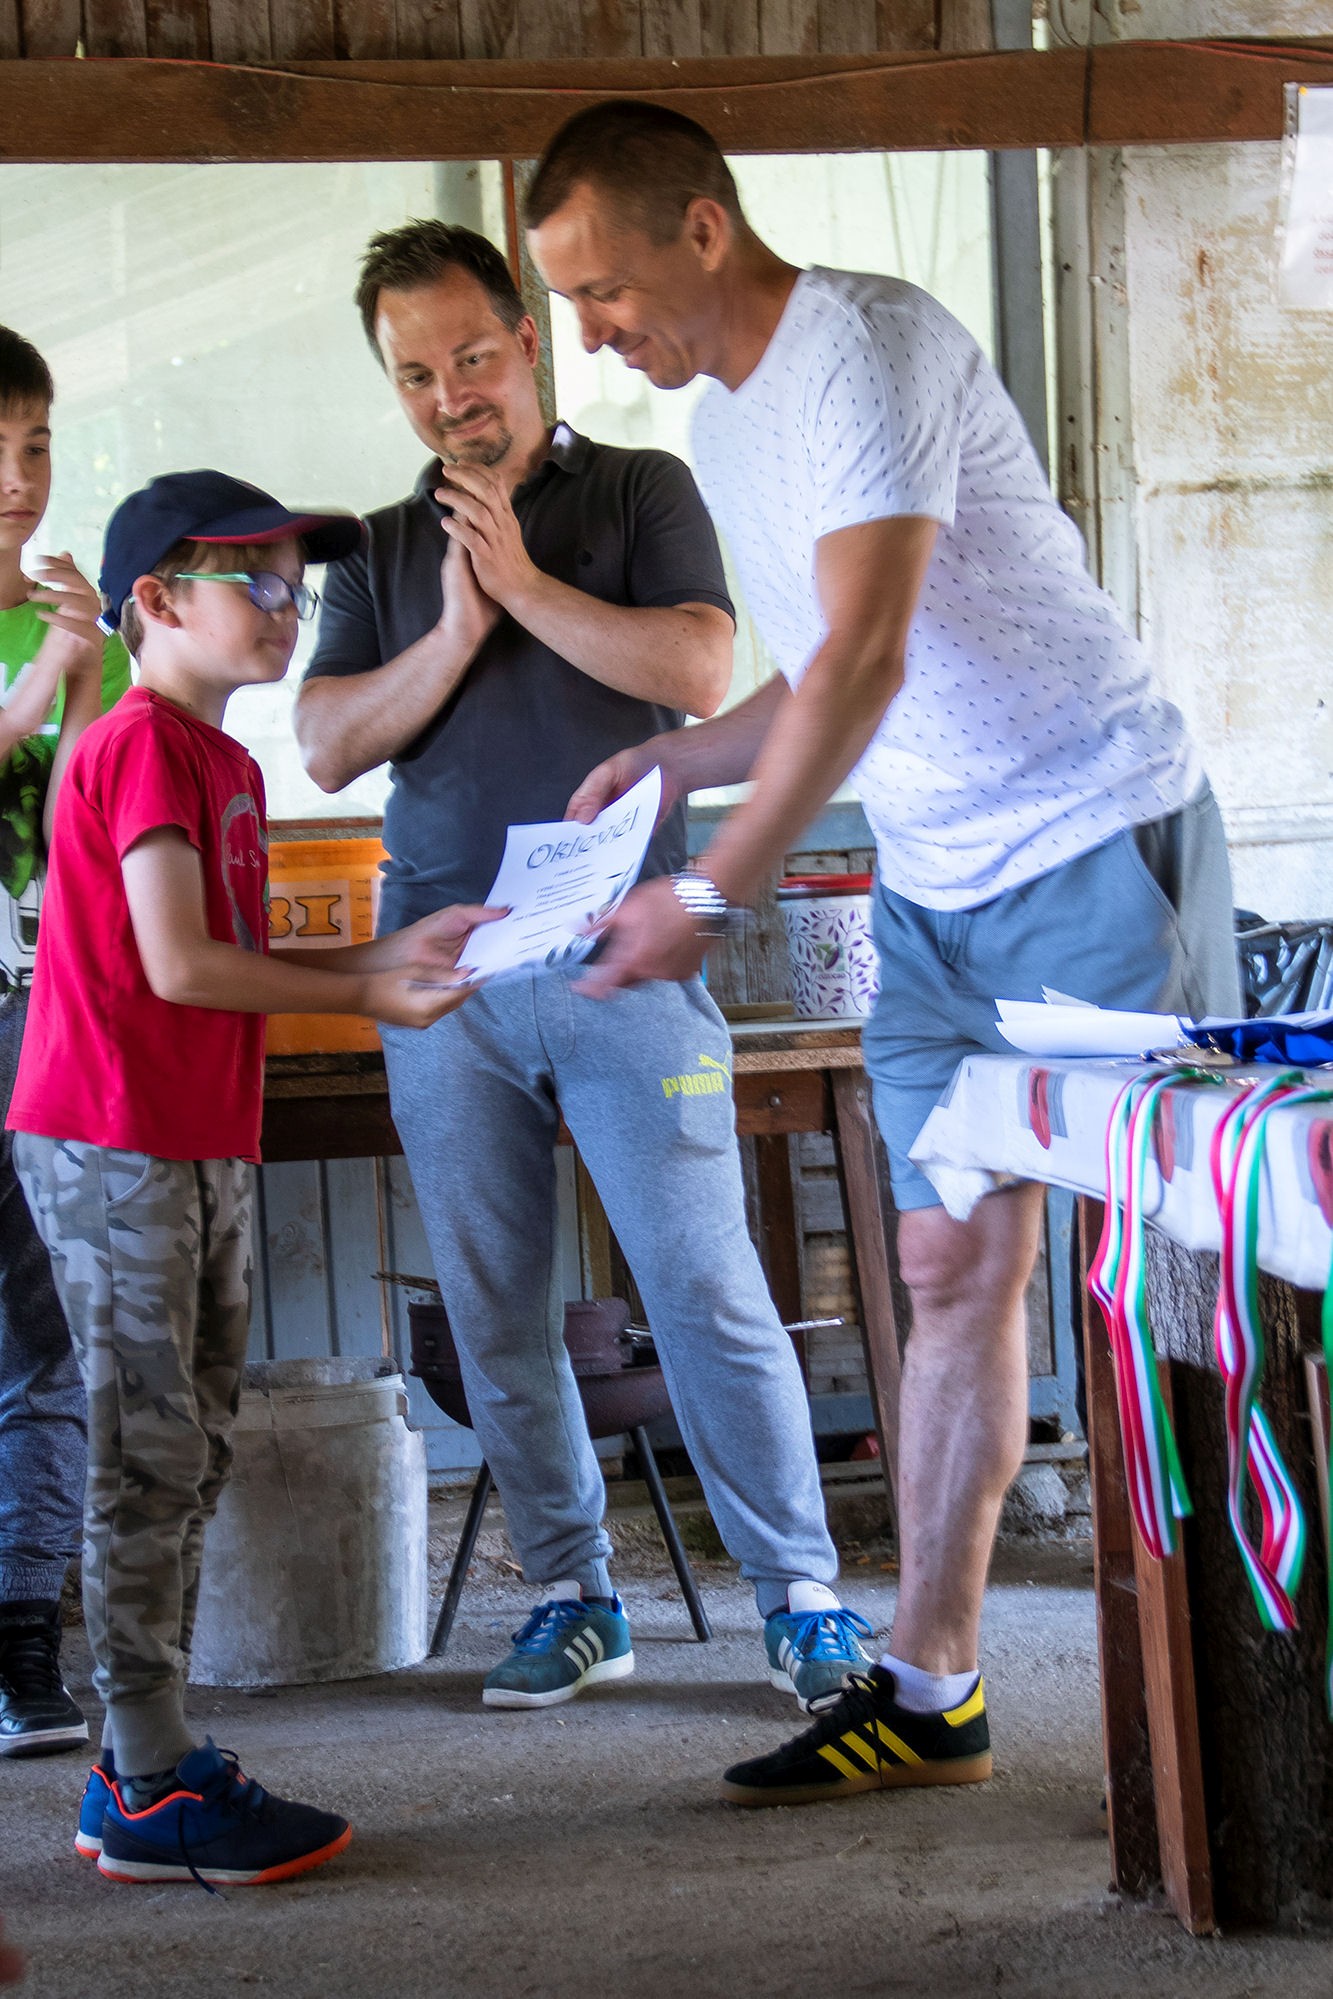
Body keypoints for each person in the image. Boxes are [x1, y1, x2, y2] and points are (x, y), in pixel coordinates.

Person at [525, 101, 1241, 1804]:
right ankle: (929, 1693)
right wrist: (676, 760)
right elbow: (816, 667)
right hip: (933, 895)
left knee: (1190, 1281)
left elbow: (869, 661)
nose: (591, 335)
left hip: (1087, 850)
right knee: (942, 1270)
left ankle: (1260, 1691)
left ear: (704, 229)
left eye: (602, 288)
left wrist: (712, 892)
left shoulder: (865, 344)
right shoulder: (725, 423)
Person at [295, 219, 872, 1714]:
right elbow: (328, 743)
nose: (449, 397)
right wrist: (457, 623)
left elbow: (695, 668)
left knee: (700, 1280)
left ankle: (801, 1595)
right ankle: (572, 1593)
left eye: (471, 357)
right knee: (494, 1303)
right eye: (414, 374)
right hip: (447, 970)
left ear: (528, 341)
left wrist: (526, 583)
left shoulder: (638, 488)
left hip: (626, 950)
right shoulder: (375, 548)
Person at [8, 469, 495, 1886]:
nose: (289, 609)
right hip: (114, 1138)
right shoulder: (140, 746)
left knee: (192, 1441)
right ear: (156, 601)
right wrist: (368, 991)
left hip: (191, 1133)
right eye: (257, 583)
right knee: (148, 1450)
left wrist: (384, 959)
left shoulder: (221, 762)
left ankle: (142, 1762)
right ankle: (150, 1777)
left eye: (300, 586)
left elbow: (219, 961)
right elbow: (179, 967)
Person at [0, 326, 131, 1758]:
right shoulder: (31, 644)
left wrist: (85, 671)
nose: (17, 477)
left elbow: (75, 827)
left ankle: (26, 1647)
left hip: (36, 1012)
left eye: (33, 443)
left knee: (45, 1339)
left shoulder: (65, 620)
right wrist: (41, 677)